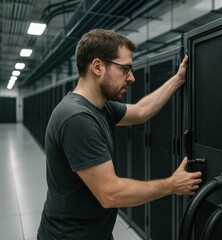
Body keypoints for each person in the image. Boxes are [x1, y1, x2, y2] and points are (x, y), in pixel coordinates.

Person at [37, 29, 202, 240]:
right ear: (97, 66)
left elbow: (142, 111)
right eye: (125, 69)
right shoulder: (77, 118)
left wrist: (178, 79)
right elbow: (110, 193)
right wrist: (172, 184)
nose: (132, 78)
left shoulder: (102, 108)